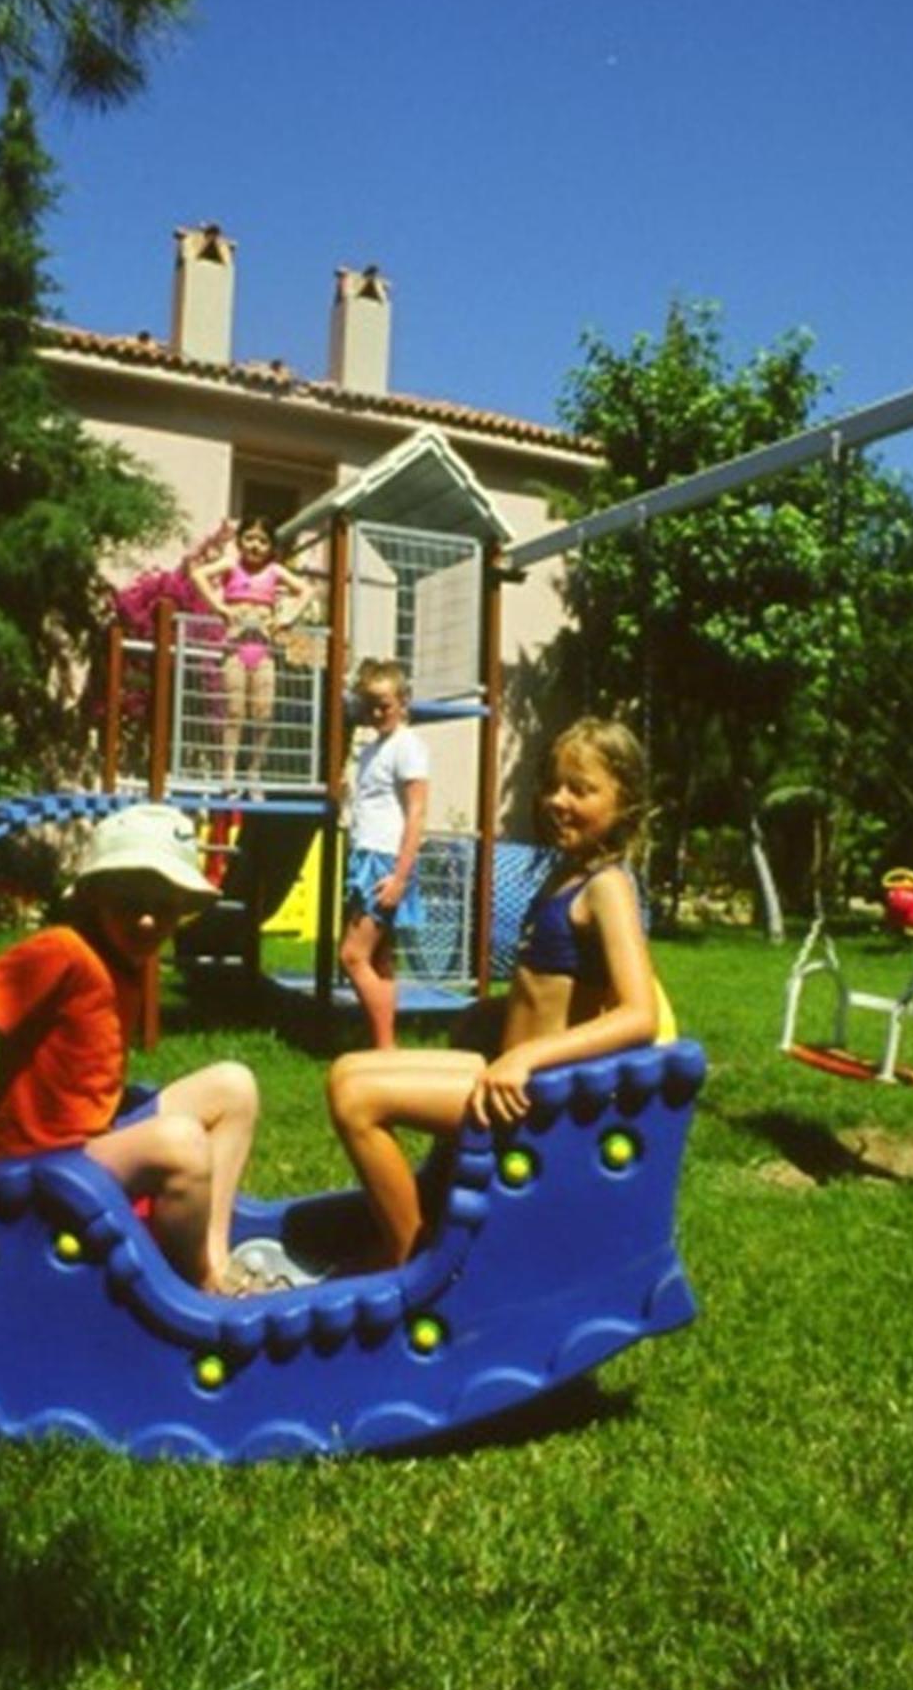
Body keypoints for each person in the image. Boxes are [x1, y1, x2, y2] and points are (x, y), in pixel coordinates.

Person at [326, 716, 677, 1266]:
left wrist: (529, 1056)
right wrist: (492, 1014)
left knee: (355, 1098)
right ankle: (416, 1227)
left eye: (581, 790)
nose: (559, 800)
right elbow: (550, 987)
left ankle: (412, 1266)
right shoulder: (567, 872)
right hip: (512, 1072)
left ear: (624, 802)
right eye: (554, 785)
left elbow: (639, 1016)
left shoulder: (609, 887)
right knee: (347, 1070)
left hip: (540, 1092)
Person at [0, 804, 261, 1295]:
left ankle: (212, 1263)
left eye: (164, 904)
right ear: (95, 897)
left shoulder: (124, 960)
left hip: (90, 1145)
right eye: (128, 901)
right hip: (37, 1169)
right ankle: (193, 1290)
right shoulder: (61, 953)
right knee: (181, 1143)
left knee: (233, 1086)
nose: (145, 919)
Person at [339, 658, 430, 1051]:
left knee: (352, 956)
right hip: (367, 855)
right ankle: (382, 1042)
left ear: (403, 702)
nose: (377, 713)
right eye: (371, 705)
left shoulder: (408, 747)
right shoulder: (374, 748)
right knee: (380, 960)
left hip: (385, 861)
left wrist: (399, 876)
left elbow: (417, 813)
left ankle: (386, 1048)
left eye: (385, 705)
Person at [191, 515, 312, 797]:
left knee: (263, 713)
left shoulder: (274, 571)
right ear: (239, 540)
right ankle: (229, 773)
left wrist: (288, 617)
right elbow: (198, 574)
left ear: (271, 547)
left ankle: (254, 771)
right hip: (234, 649)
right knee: (234, 712)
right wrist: (220, 607)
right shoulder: (231, 565)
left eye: (262, 541)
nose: (255, 546)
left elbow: (305, 590)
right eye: (249, 538)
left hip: (263, 651)